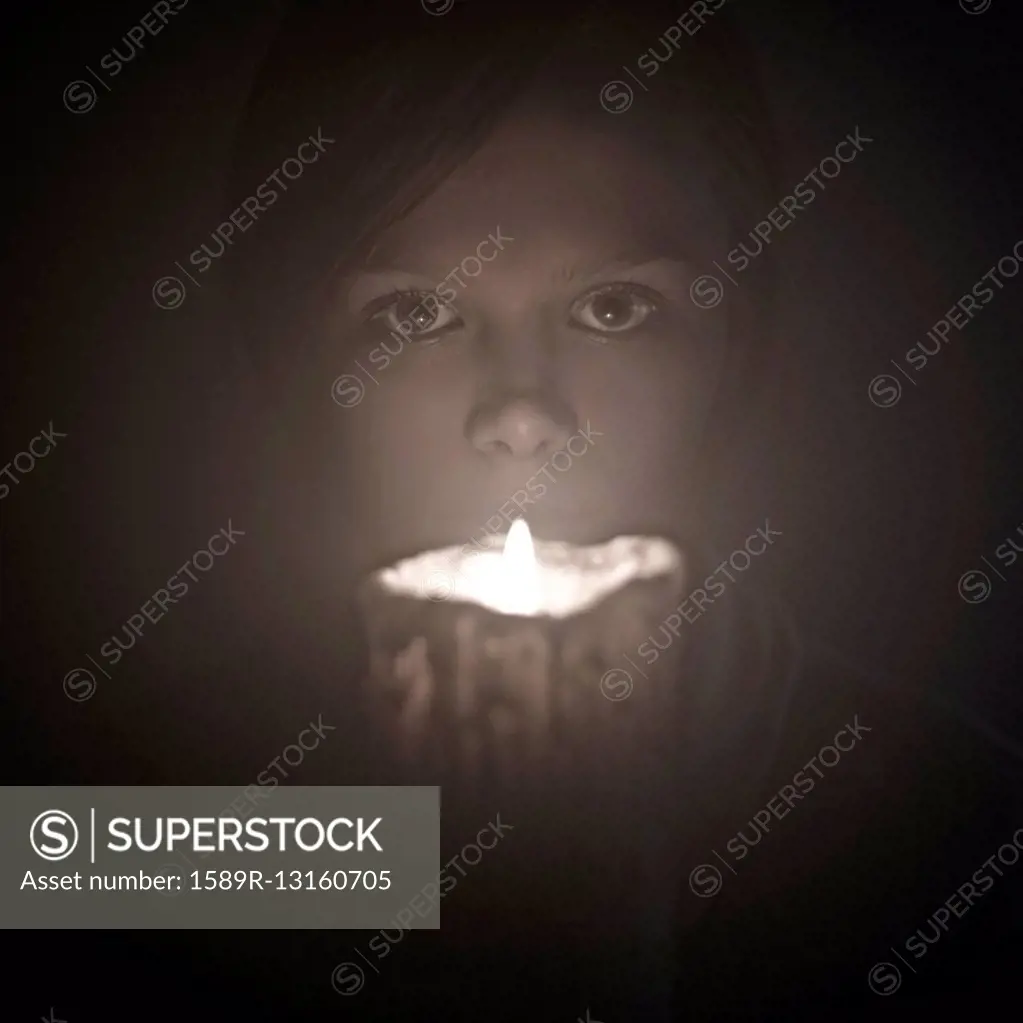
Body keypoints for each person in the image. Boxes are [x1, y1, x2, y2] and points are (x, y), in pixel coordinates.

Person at [189, 0, 1021, 1019]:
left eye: (613, 309)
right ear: (300, 363)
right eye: (416, 315)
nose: (525, 417)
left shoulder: (952, 840)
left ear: (734, 346)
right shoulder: (147, 828)